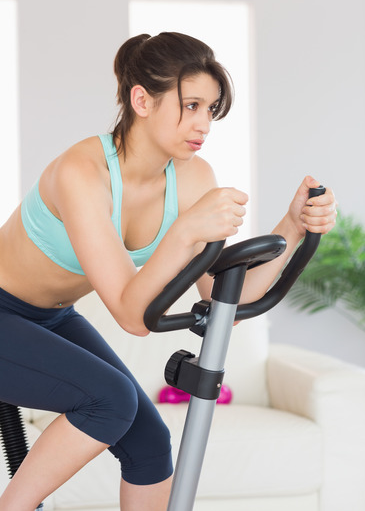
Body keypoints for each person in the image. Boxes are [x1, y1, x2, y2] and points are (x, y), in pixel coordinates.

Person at [0, 31, 337, 511]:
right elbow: (131, 315)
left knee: (149, 441)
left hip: (50, 316)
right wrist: (183, 233)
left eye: (211, 110)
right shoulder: (83, 172)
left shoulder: (193, 176)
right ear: (141, 99)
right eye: (191, 105)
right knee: (112, 399)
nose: (202, 124)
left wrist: (293, 227)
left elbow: (230, 305)